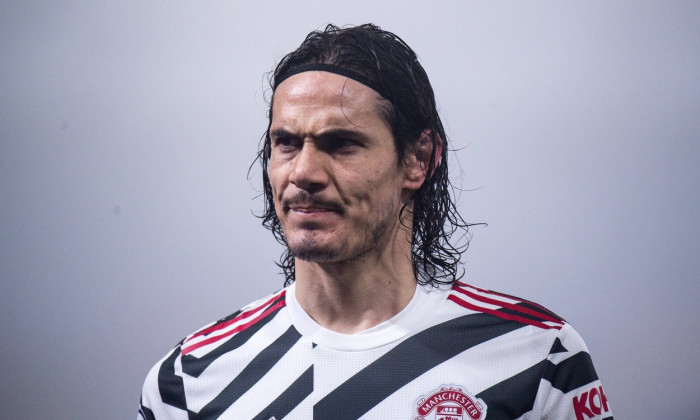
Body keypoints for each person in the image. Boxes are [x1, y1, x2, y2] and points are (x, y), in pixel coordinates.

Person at [138, 24, 612, 420]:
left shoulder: (537, 358)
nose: (303, 172)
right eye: (286, 143)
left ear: (418, 160)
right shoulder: (189, 379)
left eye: (341, 143)